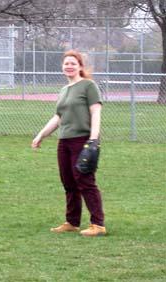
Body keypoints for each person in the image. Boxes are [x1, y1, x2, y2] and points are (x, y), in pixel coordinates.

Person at [31, 50, 106, 236]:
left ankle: (98, 224)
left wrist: (93, 139)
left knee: (85, 181)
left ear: (80, 66)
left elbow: (96, 112)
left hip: (82, 139)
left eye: (73, 63)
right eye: (66, 63)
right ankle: (72, 222)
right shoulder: (64, 90)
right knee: (68, 182)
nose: (69, 66)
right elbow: (58, 116)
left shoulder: (88, 86)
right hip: (64, 141)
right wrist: (41, 135)